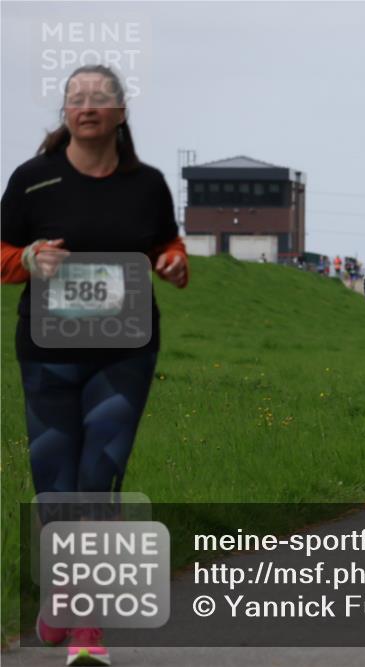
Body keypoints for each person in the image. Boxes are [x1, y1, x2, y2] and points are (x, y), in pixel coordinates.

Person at [0, 64, 189, 667]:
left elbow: (167, 244)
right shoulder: (31, 180)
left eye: (99, 97)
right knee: (55, 483)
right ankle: (62, 592)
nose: (86, 106)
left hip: (124, 351)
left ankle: (86, 625)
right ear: (65, 112)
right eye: (76, 97)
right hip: (48, 353)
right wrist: (29, 257)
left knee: (98, 478)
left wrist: (174, 263)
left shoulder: (147, 185)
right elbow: (1, 254)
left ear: (120, 113)